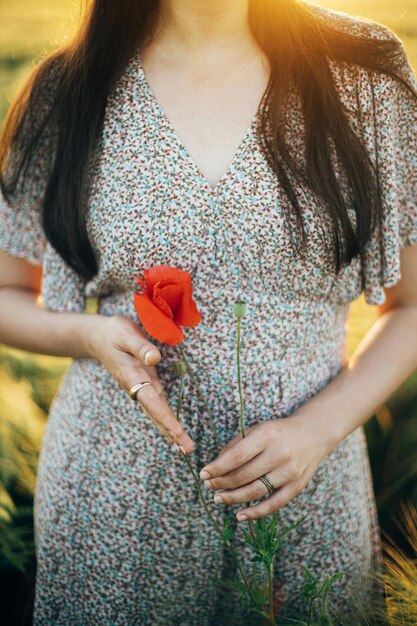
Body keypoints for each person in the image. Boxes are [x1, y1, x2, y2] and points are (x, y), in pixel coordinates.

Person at [1, 1, 417, 624]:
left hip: (308, 494)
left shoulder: (362, 72)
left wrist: (318, 430)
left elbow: (413, 302)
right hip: (114, 500)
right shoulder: (71, 89)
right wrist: (89, 334)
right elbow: (7, 290)